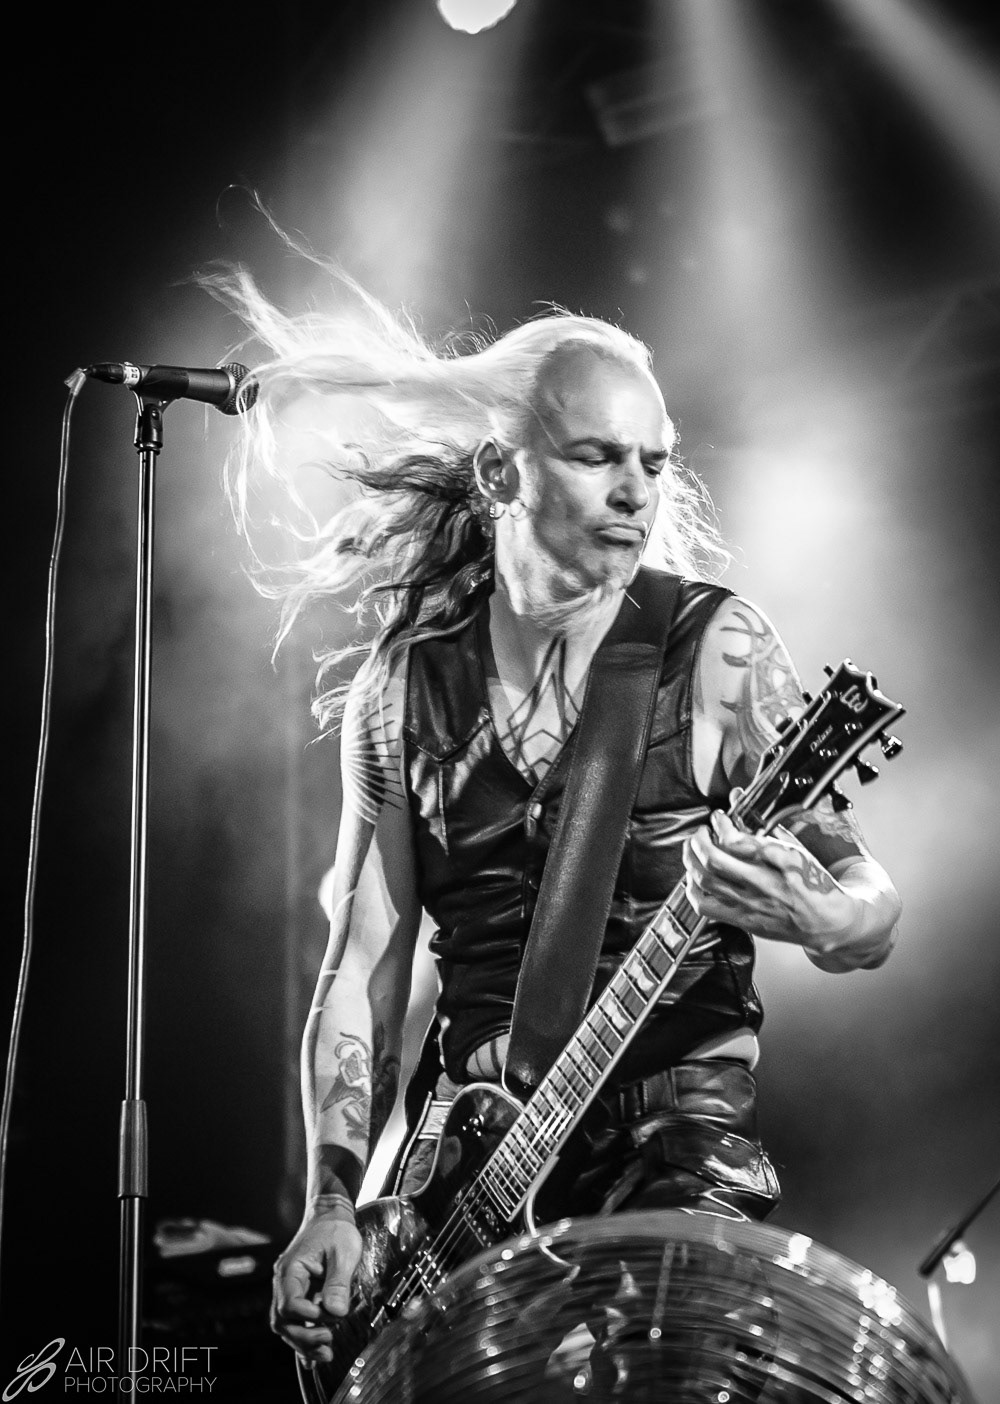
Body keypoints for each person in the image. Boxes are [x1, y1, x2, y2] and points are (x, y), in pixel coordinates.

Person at [214, 270, 901, 1369]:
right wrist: (334, 1201)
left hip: (670, 1140)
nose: (636, 491)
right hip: (464, 1177)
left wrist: (824, 917)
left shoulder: (714, 652)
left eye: (655, 462)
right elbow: (362, 967)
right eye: (597, 457)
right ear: (502, 471)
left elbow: (870, 904)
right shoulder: (403, 689)